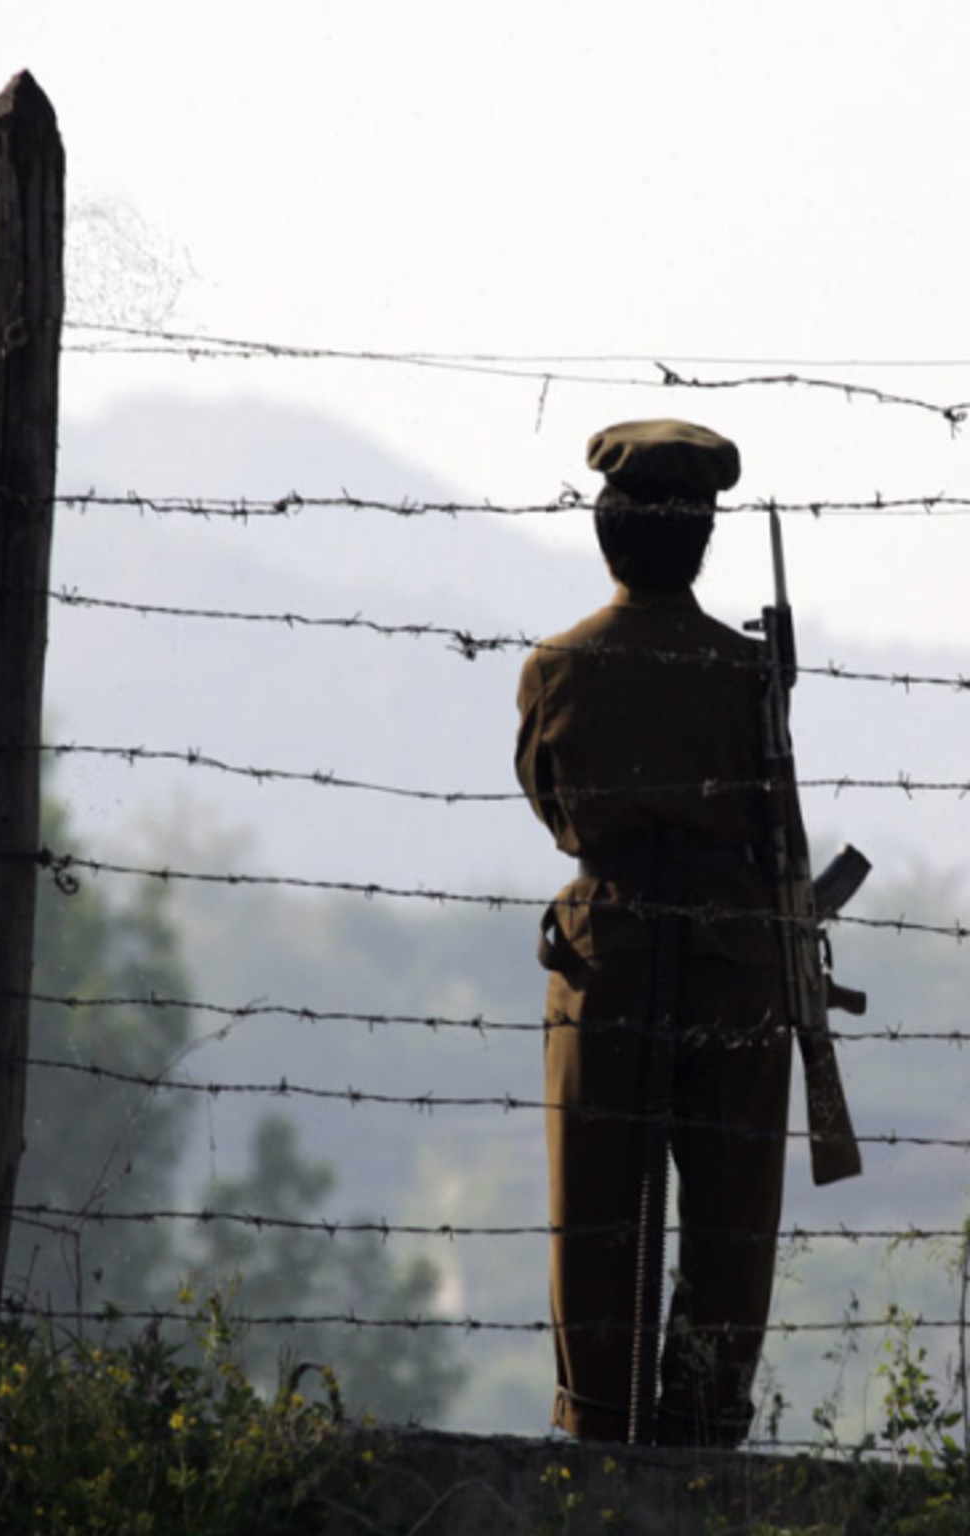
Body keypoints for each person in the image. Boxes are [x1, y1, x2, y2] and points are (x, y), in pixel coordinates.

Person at [515, 419, 793, 1448]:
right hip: (734, 961)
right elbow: (771, 814)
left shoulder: (557, 667)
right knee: (729, 1219)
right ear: (703, 540)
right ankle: (705, 1424)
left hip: (608, 958)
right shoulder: (747, 671)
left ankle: (599, 1435)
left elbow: (554, 809)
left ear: (606, 535)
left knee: (596, 1212)